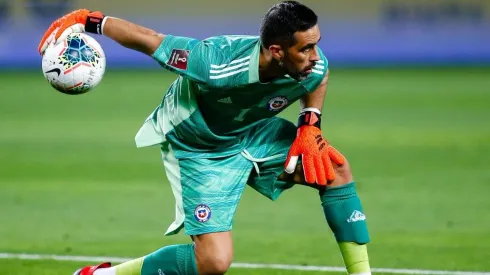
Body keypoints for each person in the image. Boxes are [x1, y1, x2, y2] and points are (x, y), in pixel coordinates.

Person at [38, 1, 371, 275]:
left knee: (335, 169)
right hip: (200, 146)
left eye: (317, 44)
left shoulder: (310, 64)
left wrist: (310, 124)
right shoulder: (215, 63)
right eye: (307, 48)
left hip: (253, 131)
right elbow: (150, 40)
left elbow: (320, 75)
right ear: (276, 51)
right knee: (213, 261)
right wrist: (88, 20)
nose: (316, 55)